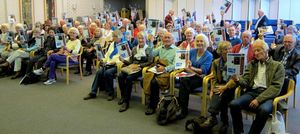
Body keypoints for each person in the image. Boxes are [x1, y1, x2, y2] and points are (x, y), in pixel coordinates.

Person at [223, 40, 285, 134]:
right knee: (233, 104)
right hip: (252, 92)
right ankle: (238, 131)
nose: (255, 53)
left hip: (268, 95)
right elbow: (246, 82)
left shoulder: (277, 66)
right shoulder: (252, 64)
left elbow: (276, 87)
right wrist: (238, 80)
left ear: (266, 50)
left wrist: (258, 99)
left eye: (258, 50)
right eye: (254, 51)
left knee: (263, 110)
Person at [199, 41, 233, 132]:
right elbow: (213, 77)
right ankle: (220, 120)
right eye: (225, 49)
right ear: (220, 51)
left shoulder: (236, 60)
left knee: (223, 95)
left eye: (230, 48)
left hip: (231, 86)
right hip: (220, 85)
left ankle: (216, 118)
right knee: (217, 92)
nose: (228, 51)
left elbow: (236, 79)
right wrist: (212, 89)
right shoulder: (216, 62)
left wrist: (225, 87)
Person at [177, 34, 213, 119]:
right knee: (184, 81)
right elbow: (186, 63)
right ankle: (182, 107)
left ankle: (183, 109)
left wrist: (191, 68)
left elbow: (203, 70)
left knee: (184, 82)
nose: (199, 43)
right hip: (189, 75)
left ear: (205, 42)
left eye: (201, 41)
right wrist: (188, 63)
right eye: (197, 41)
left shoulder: (209, 55)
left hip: (200, 78)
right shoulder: (192, 51)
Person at [143, 32, 178, 115]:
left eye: (169, 37)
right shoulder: (160, 48)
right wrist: (150, 42)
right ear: (162, 39)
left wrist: (165, 69)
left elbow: (176, 65)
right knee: (145, 79)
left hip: (168, 72)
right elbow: (150, 54)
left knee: (154, 82)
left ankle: (153, 105)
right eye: (165, 37)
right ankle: (152, 99)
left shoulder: (176, 50)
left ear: (173, 40)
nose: (166, 39)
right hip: (158, 69)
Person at [118, 32, 153, 112]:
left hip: (141, 68)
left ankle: (126, 102)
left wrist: (139, 66)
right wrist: (124, 60)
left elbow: (150, 62)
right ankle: (123, 96)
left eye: (142, 38)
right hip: (132, 66)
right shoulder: (134, 49)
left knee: (129, 78)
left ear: (145, 39)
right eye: (139, 38)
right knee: (120, 76)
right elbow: (131, 61)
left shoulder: (149, 49)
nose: (140, 40)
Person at [83, 30, 123, 101]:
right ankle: (93, 92)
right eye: (113, 36)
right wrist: (103, 60)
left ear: (120, 37)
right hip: (108, 63)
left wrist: (115, 62)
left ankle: (111, 93)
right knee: (99, 72)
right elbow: (107, 54)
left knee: (108, 73)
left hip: (117, 65)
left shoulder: (123, 45)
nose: (113, 38)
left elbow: (125, 58)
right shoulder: (112, 44)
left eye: (115, 36)